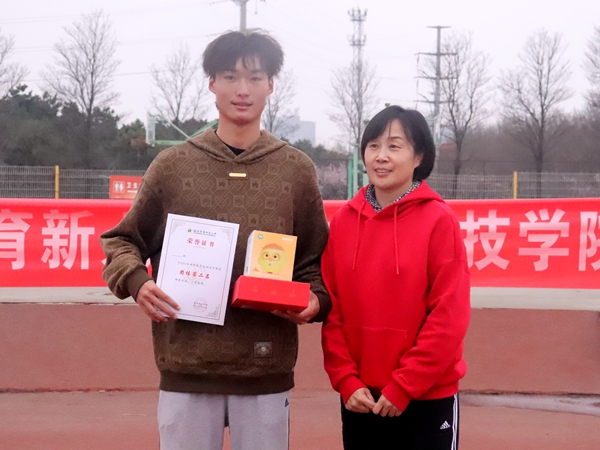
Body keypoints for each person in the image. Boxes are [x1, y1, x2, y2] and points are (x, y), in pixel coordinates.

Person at [101, 30, 330, 450]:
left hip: (265, 367)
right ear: (211, 83)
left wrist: (316, 301)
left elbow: (315, 262)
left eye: (255, 78)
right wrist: (137, 282)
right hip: (186, 366)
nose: (242, 90)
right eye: (229, 76)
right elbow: (121, 240)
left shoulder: (295, 170)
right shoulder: (173, 165)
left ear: (271, 85)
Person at [321, 105, 470, 449]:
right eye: (373, 146)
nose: (381, 156)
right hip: (360, 398)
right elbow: (333, 310)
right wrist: (345, 380)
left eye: (394, 146)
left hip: (425, 397)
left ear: (419, 156)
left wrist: (405, 386)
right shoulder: (344, 221)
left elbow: (449, 315)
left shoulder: (439, 220)